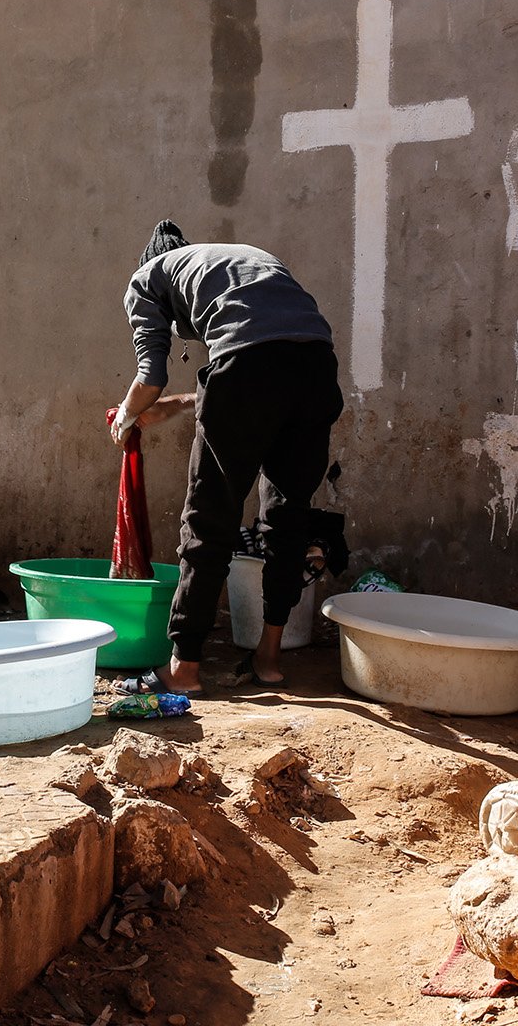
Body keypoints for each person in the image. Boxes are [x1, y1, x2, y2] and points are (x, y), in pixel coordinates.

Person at [109, 221, 344, 691]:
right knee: (287, 517)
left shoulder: (146, 279)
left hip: (248, 369)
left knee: (208, 520)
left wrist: (126, 416)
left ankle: (184, 669)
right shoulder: (242, 260)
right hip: (317, 367)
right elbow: (265, 367)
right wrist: (178, 405)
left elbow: (151, 376)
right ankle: (270, 658)